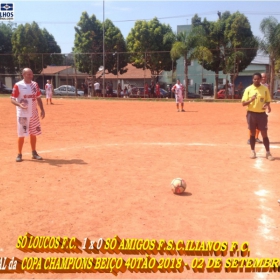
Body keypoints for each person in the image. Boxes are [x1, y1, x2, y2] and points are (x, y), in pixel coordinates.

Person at [11, 68, 45, 162]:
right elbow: (12, 99)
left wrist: (42, 109)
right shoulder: (18, 85)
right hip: (23, 114)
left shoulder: (35, 85)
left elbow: (38, 98)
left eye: (31, 74)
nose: (31, 76)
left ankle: (34, 152)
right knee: (21, 134)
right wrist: (19, 105)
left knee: (33, 133)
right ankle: (19, 154)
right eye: (28, 74)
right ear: (23, 75)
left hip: (34, 113)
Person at [241, 72, 274, 160]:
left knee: (264, 133)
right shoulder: (248, 89)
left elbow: (268, 100)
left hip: (262, 115)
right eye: (255, 79)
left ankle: (268, 153)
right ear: (252, 80)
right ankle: (252, 151)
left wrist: (266, 104)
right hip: (251, 114)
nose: (256, 80)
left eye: (258, 79)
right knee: (252, 133)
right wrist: (251, 100)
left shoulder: (265, 89)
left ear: (261, 79)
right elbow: (243, 103)